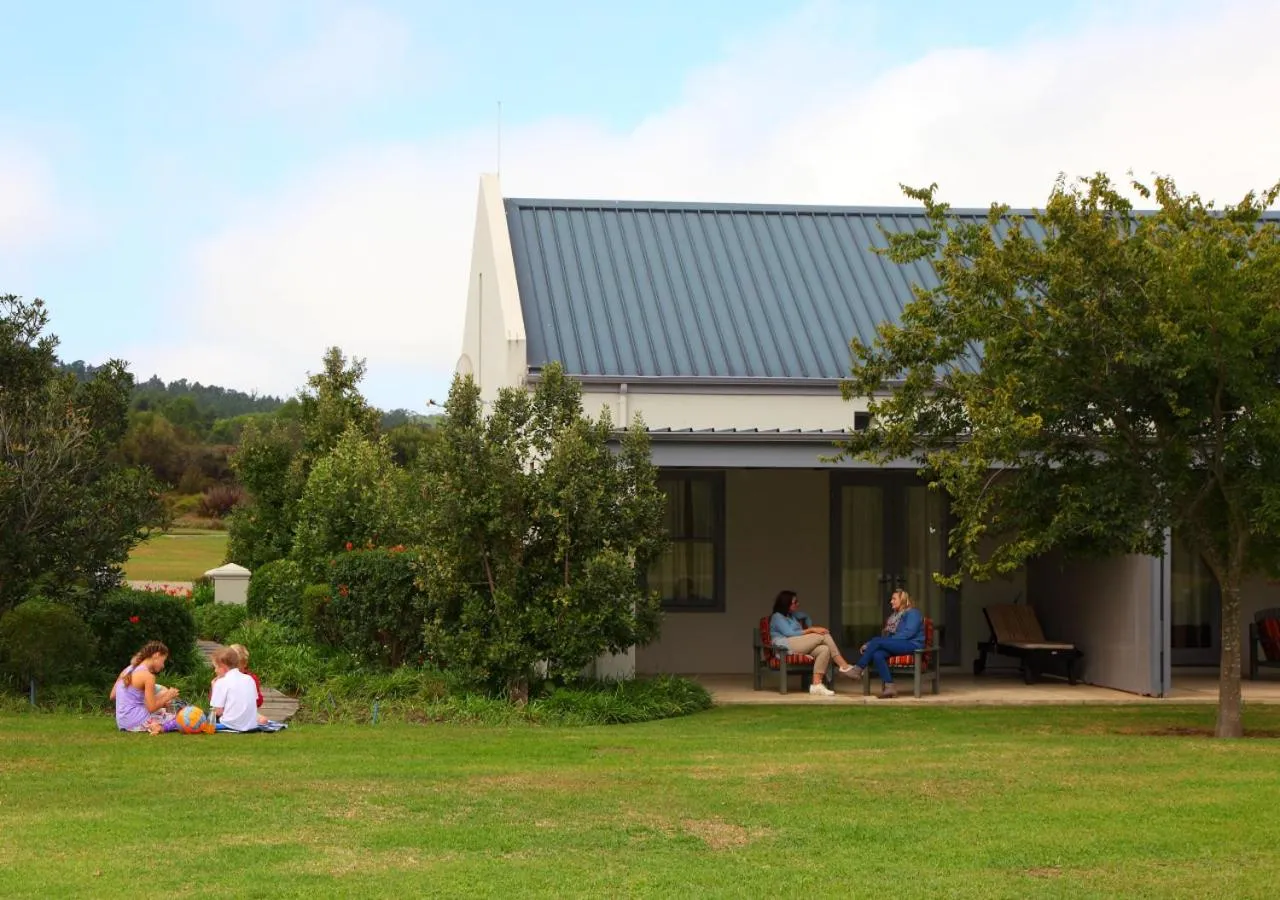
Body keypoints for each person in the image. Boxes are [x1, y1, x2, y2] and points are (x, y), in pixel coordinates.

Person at [768, 590, 859, 696]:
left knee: (825, 649)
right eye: (795, 602)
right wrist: (811, 630)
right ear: (786, 603)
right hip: (785, 645)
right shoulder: (777, 617)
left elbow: (805, 616)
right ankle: (844, 666)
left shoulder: (791, 616)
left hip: (797, 643)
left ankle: (816, 685)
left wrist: (809, 625)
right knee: (823, 634)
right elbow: (789, 633)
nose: (798, 604)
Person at [848, 589, 924, 699]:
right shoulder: (895, 617)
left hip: (912, 645)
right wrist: (872, 644)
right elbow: (887, 637)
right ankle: (890, 687)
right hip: (900, 644)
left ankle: (857, 670)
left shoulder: (913, 613)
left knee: (877, 641)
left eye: (894, 599)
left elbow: (909, 633)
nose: (891, 601)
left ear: (902, 600)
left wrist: (882, 641)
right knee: (877, 654)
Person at [113, 641, 181, 735]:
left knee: (163, 709)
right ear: (156, 655)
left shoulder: (127, 670)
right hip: (137, 721)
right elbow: (151, 708)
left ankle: (155, 724)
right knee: (181, 719)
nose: (163, 665)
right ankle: (159, 727)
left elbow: (113, 695)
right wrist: (168, 696)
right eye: (163, 661)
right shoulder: (148, 676)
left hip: (123, 722)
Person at [209, 647, 262, 732]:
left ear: (223, 666)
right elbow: (254, 701)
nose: (215, 671)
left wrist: (214, 687)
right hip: (251, 724)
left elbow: (217, 712)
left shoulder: (221, 682)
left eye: (216, 667)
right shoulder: (249, 679)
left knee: (201, 717)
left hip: (230, 724)